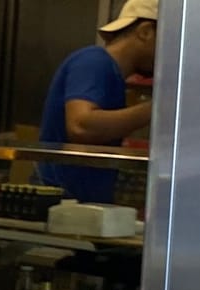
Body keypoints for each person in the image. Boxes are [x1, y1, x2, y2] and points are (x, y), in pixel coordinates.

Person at [37, 0, 158, 203]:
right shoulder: (94, 61)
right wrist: (157, 109)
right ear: (145, 32)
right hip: (61, 205)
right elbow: (81, 126)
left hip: (80, 206)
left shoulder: (111, 74)